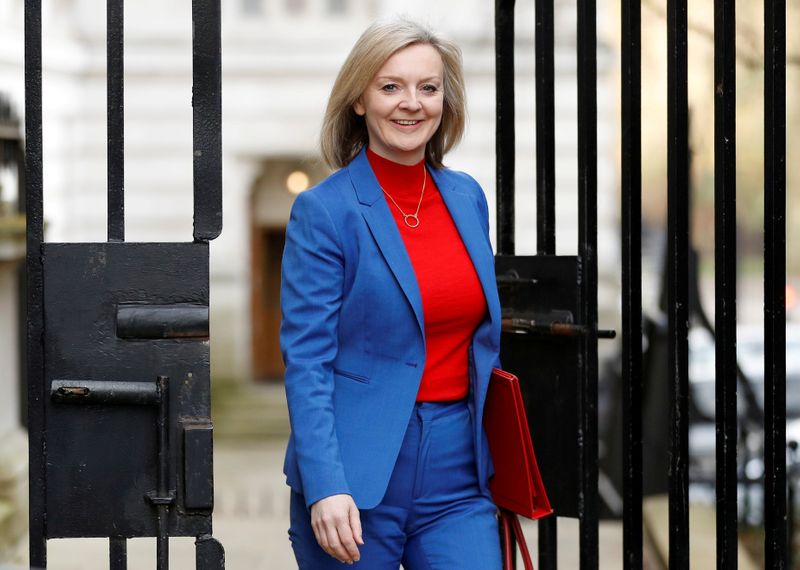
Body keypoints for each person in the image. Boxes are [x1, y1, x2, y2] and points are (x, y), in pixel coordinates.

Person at [280, 16, 502, 569]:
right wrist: (326, 484)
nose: (412, 103)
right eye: (390, 86)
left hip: (458, 470)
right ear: (360, 99)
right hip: (355, 470)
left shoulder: (467, 197)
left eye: (428, 88)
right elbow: (307, 359)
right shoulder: (324, 211)